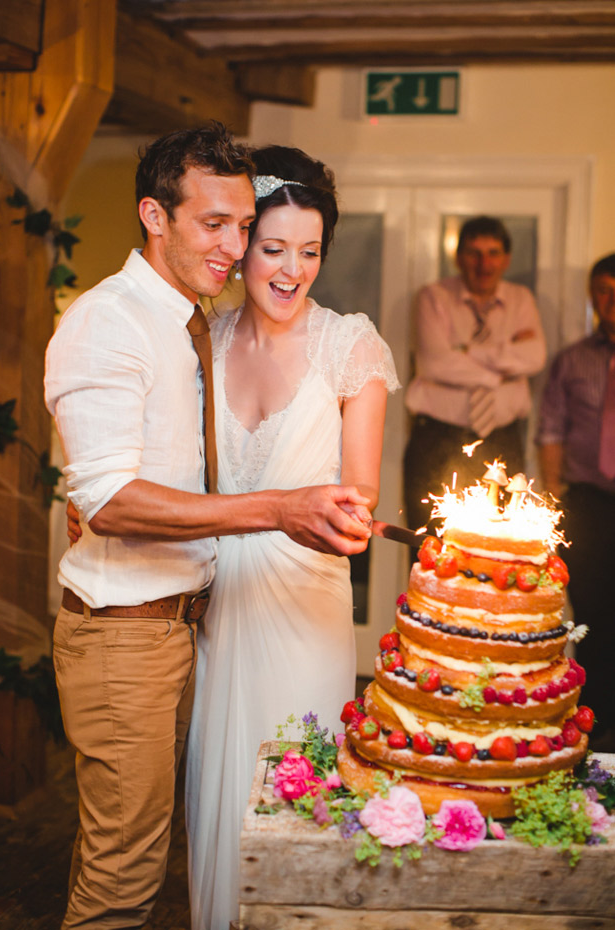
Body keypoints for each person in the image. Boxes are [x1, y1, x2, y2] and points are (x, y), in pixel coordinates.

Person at [44, 124, 373, 930]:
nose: (235, 250)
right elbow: (114, 493)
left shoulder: (188, 323)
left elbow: (153, 466)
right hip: (128, 631)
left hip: (191, 626)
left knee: (162, 852)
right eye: (218, 227)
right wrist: (276, 508)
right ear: (156, 217)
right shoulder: (111, 321)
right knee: (123, 874)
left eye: (239, 226)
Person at [184, 145, 400, 930]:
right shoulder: (203, 337)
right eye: (273, 248)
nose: (291, 269)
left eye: (309, 252)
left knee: (295, 802)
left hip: (303, 608)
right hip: (216, 606)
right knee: (218, 792)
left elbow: (361, 494)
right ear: (242, 244)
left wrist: (353, 517)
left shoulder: (352, 347)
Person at [403, 215, 546, 536]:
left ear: (506, 259)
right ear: (458, 257)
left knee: (503, 543)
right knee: (432, 546)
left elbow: (535, 357)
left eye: (493, 253)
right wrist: (504, 368)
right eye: (473, 253)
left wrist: (467, 351)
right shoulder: (433, 297)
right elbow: (435, 364)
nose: (484, 264)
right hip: (437, 441)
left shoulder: (521, 300)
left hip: (503, 440)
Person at [536, 252, 615, 753]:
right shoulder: (572, 359)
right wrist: (555, 498)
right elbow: (550, 431)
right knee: (590, 613)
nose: (611, 300)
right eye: (603, 290)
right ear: (592, 296)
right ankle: (596, 719)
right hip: (586, 504)